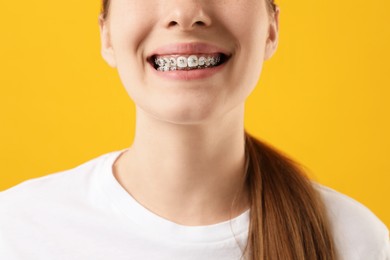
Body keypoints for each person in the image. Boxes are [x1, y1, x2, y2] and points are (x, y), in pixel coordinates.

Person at [0, 0, 389, 259]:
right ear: (106, 35)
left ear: (271, 28)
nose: (186, 13)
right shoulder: (15, 230)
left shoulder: (356, 242)